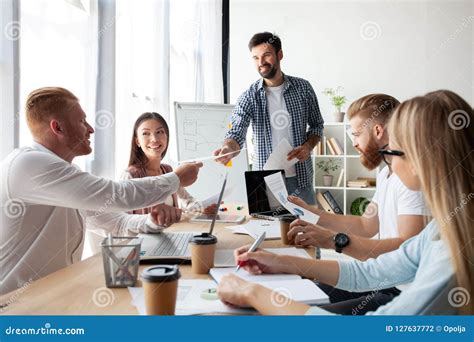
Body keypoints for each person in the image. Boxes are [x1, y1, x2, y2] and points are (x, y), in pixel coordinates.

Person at [217, 90, 473, 315]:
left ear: (419, 161)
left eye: (392, 152)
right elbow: (370, 268)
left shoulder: (451, 256)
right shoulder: (438, 232)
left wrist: (253, 293)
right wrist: (283, 262)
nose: (389, 160)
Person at [0, 87, 202, 295]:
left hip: (53, 295)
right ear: (57, 128)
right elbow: (116, 194)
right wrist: (176, 179)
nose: (90, 129)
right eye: (82, 121)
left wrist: (151, 221)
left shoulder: (66, 173)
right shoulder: (28, 164)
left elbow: (116, 222)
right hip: (15, 305)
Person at [286, 94, 430, 313]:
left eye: (356, 134)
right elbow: (366, 225)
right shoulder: (386, 174)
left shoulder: (410, 179)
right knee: (304, 297)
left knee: (313, 315)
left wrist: (333, 240)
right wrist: (313, 213)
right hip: (383, 279)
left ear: (378, 131)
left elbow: (405, 250)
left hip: (404, 291)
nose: (353, 143)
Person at [213, 32, 324, 204]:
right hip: (264, 181)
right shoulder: (249, 97)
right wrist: (228, 149)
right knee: (266, 229)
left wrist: (308, 146)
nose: (261, 62)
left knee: (306, 229)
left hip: (300, 180)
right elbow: (236, 132)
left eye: (266, 55)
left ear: (279, 55)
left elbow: (317, 125)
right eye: (255, 58)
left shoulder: (303, 88)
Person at [121, 112, 217, 217]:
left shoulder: (167, 170)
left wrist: (202, 208)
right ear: (137, 141)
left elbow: (187, 201)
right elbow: (120, 219)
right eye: (146, 133)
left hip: (173, 232)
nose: (154, 139)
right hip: (144, 233)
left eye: (159, 132)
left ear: (166, 137)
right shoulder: (130, 175)